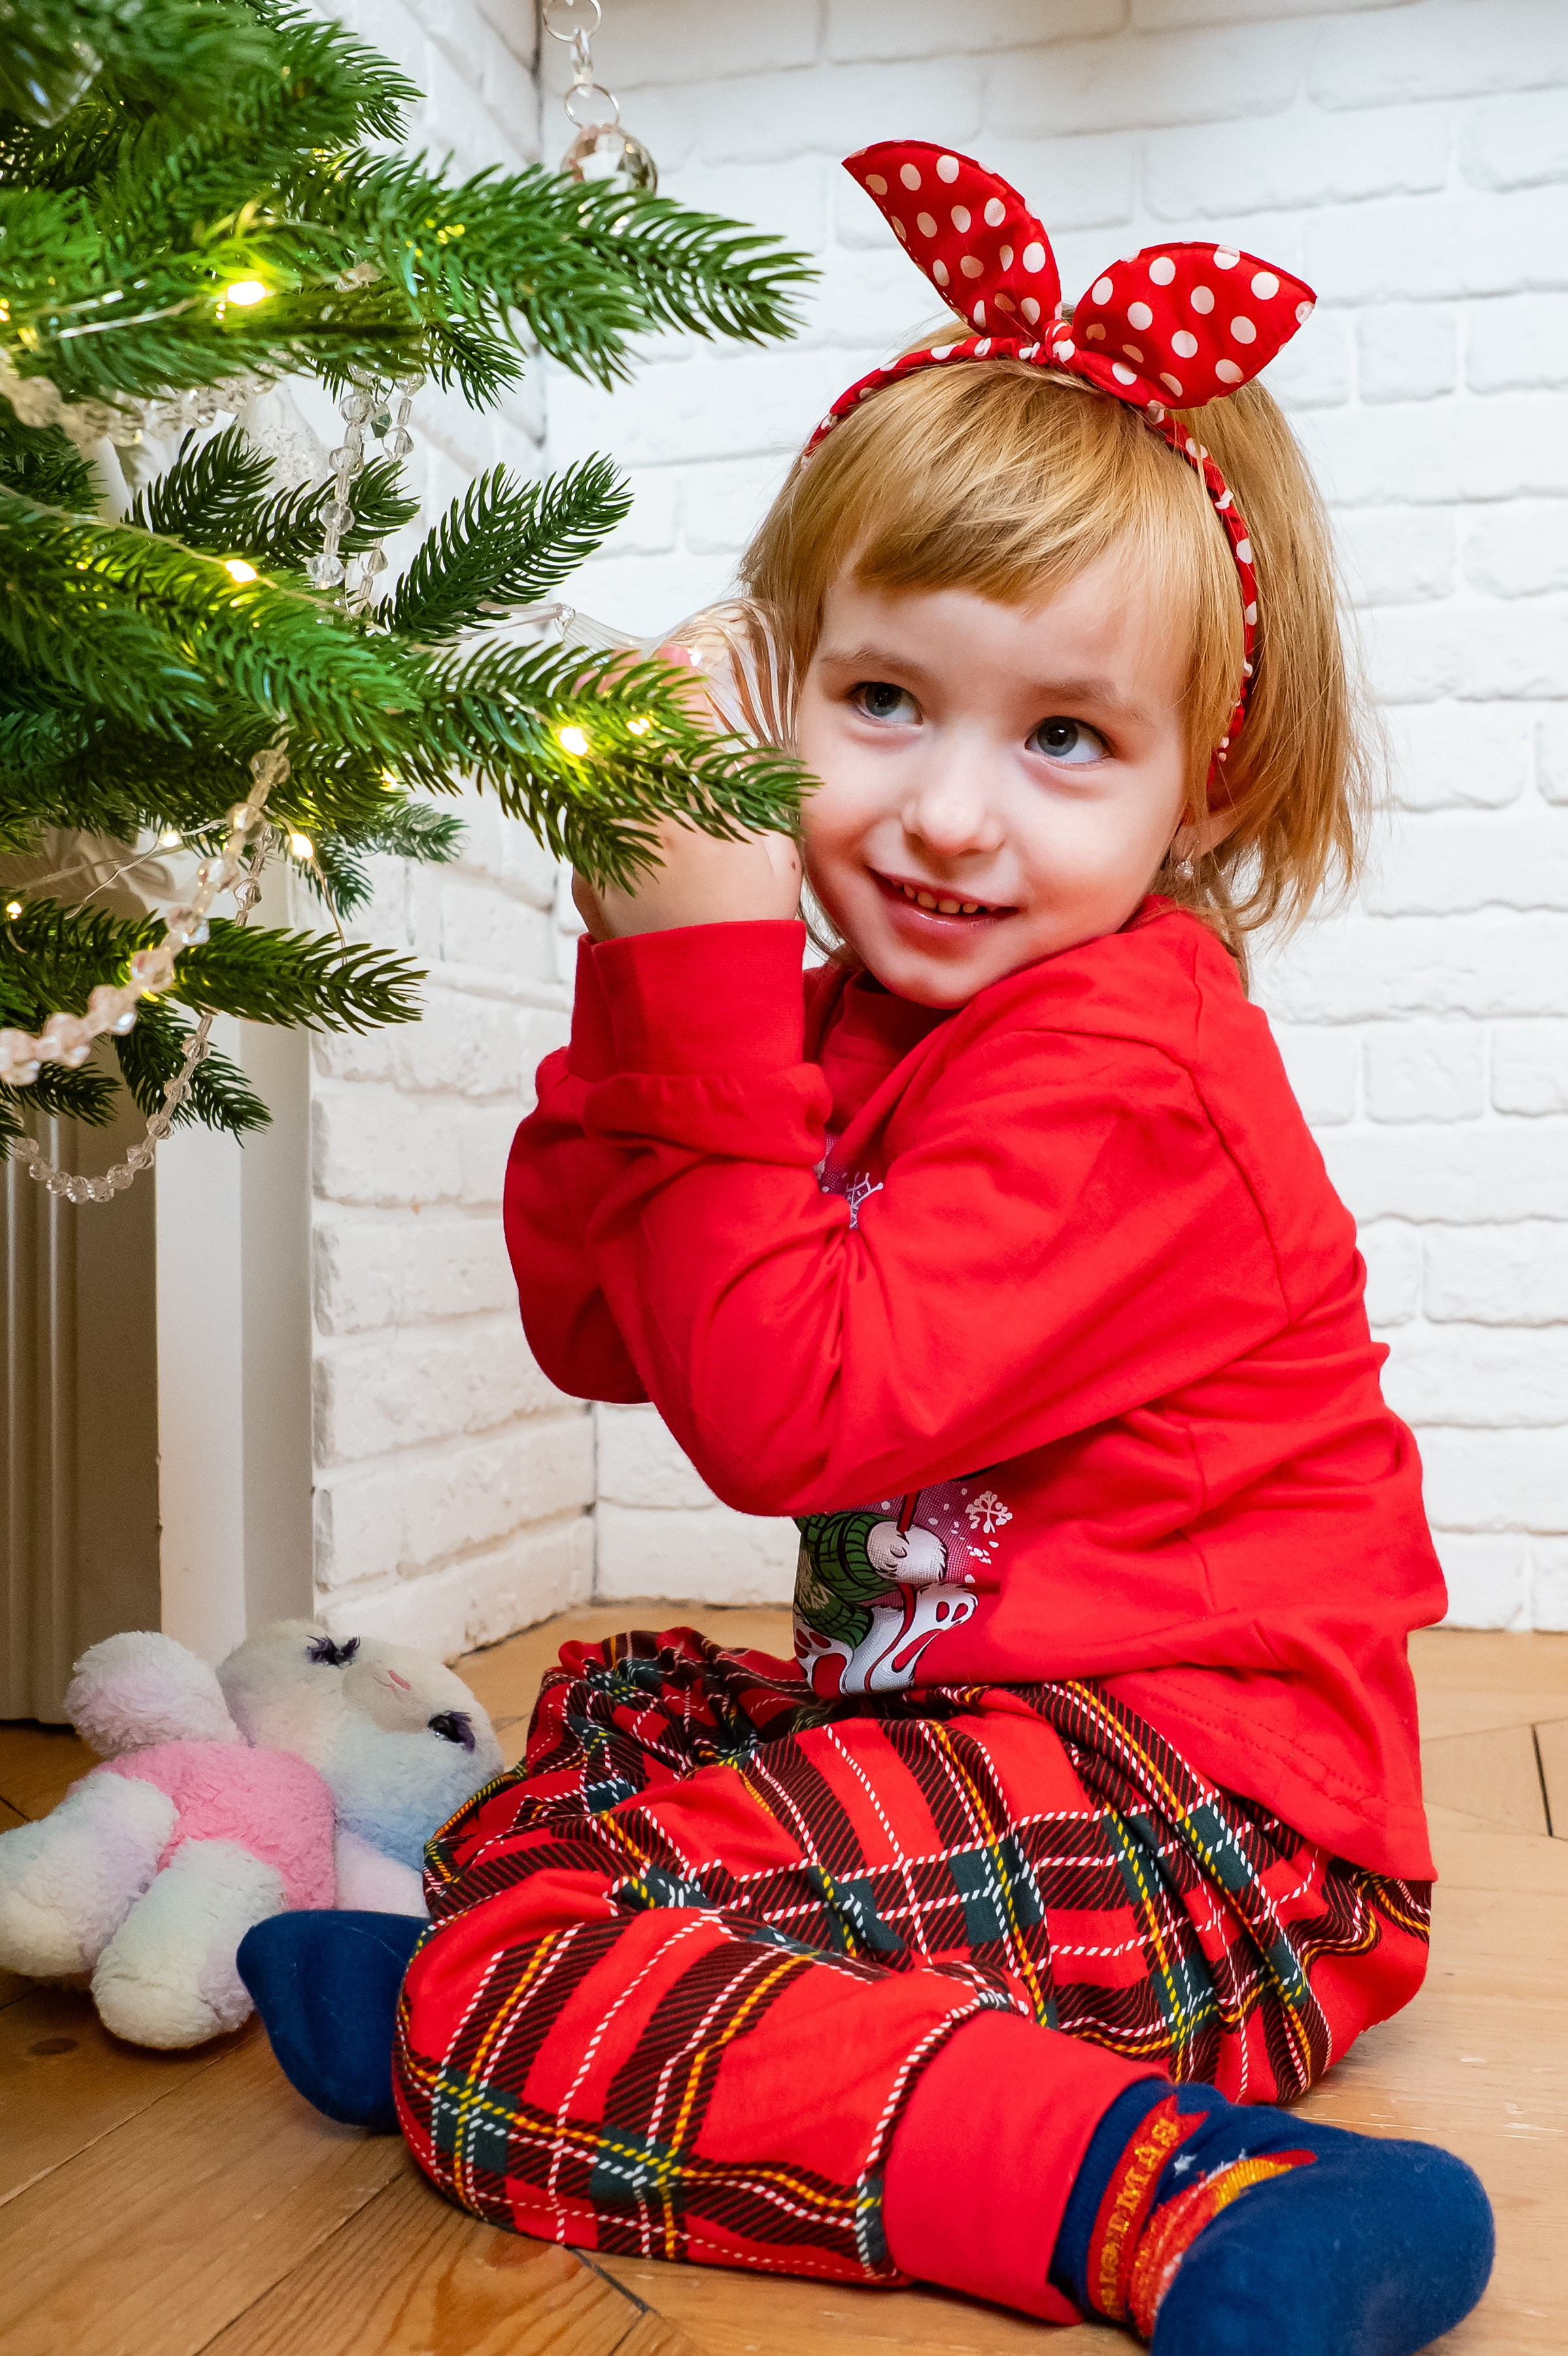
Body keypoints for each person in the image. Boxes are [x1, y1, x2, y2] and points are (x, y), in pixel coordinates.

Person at [239, 144, 1494, 2352]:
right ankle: (523, 1973)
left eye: (1066, 740)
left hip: (1221, 1830)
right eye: (885, 702)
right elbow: (593, 1316)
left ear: (1199, 788)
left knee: (534, 1955)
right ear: (780, 689)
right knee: (609, 1712)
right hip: (994, 1728)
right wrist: (661, 965)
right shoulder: (851, 1011)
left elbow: (782, 1408)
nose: (943, 812)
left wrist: (710, 966)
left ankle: (1174, 2198)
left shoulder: (1130, 1057)